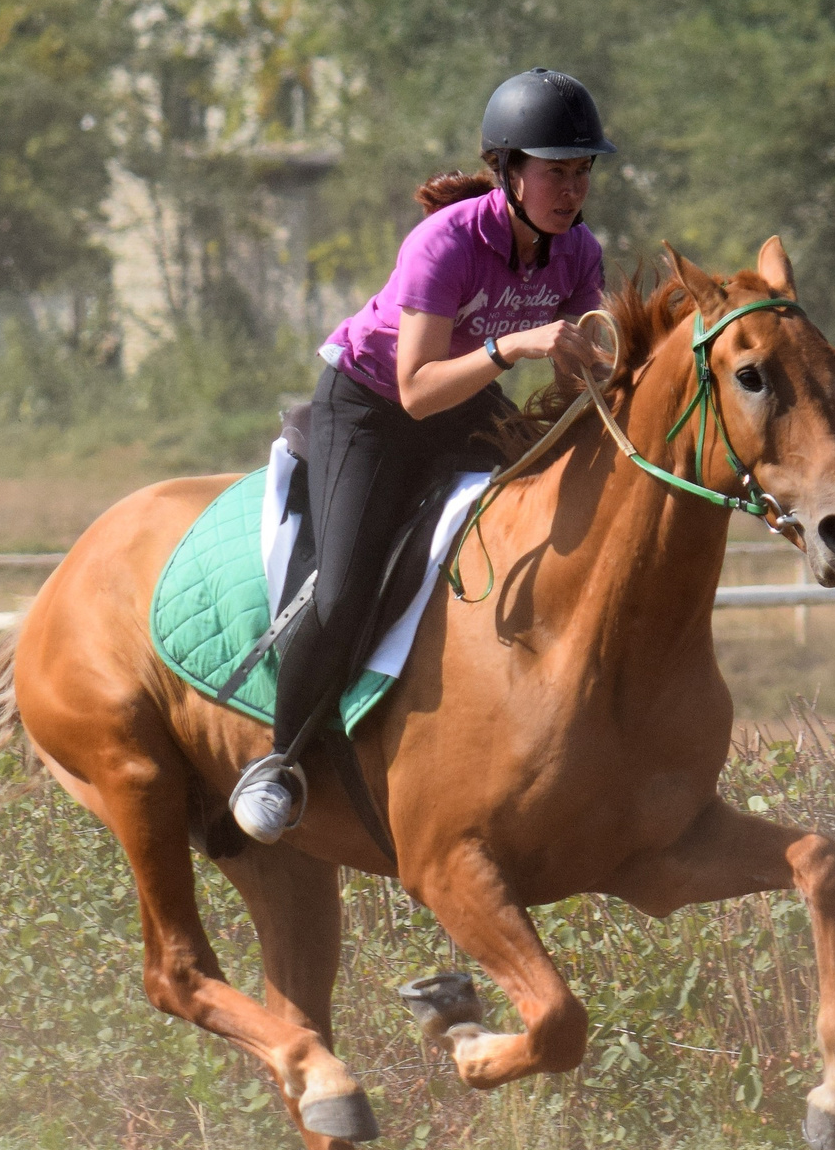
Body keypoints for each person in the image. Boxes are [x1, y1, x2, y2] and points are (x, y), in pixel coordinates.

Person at [229, 68, 613, 843]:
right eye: (554, 172)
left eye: (581, 172)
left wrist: (598, 364)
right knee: (341, 592)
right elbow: (417, 390)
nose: (571, 191)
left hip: (463, 398)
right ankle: (278, 761)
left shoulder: (579, 253)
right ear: (508, 171)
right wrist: (515, 344)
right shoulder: (445, 241)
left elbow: (579, 368)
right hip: (372, 408)